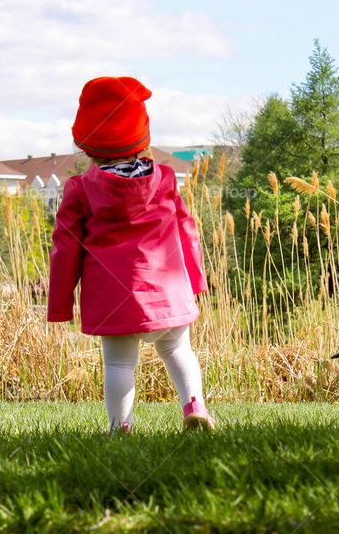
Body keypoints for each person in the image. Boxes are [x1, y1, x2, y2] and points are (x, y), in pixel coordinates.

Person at [47, 76, 214, 433]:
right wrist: (196, 281)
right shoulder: (165, 179)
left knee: (119, 364)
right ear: (141, 138)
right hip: (168, 293)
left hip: (114, 300)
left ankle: (120, 427)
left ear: (88, 146)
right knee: (178, 349)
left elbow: (65, 248)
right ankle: (194, 405)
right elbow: (187, 230)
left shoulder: (81, 189)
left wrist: (60, 303)